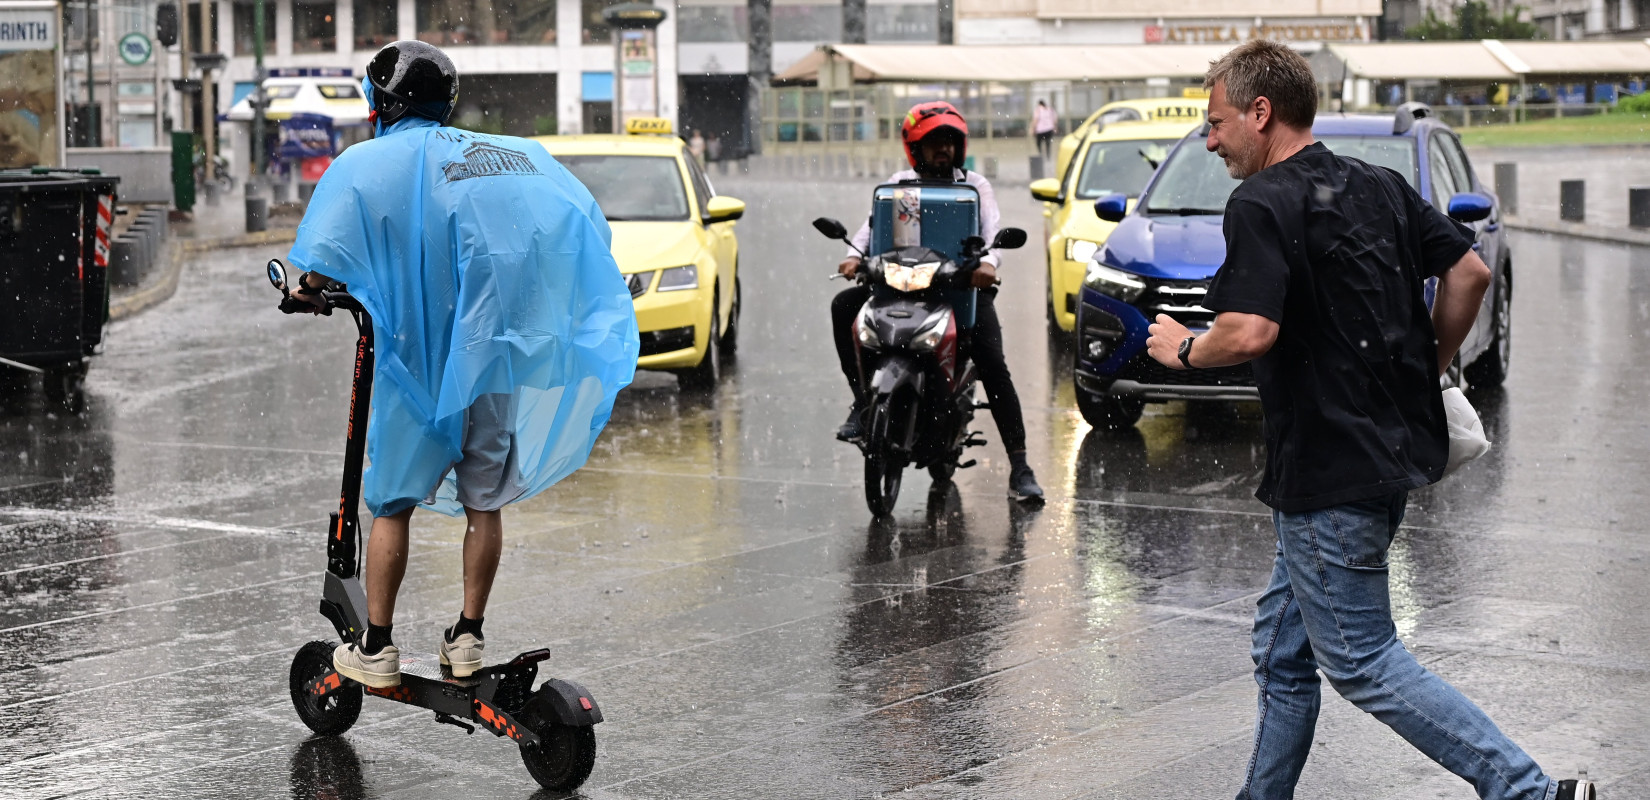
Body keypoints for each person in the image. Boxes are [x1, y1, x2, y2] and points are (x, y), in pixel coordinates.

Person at [1144, 40, 1594, 800]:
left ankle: (1530, 792)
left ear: (1261, 113)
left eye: (1217, 123)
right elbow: (1470, 271)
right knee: (1283, 652)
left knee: (1360, 658)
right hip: (1381, 459)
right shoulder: (1378, 184)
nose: (1210, 139)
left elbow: (1249, 332)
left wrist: (1183, 349)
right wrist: (1426, 365)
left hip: (1327, 470)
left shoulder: (1259, 202)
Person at [284, 41, 639, 688]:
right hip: (489, 365)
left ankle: (378, 645)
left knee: (390, 506)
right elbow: (568, 226)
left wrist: (305, 288)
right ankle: (469, 636)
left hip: (415, 370)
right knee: (485, 503)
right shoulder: (510, 157)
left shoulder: (368, 164)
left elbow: (324, 259)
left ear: (382, 101)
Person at [832, 101, 1044, 502]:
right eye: (933, 142)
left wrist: (987, 263)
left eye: (949, 140)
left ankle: (1020, 466)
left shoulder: (974, 186)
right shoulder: (901, 186)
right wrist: (853, 256)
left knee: (993, 365)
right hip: (902, 285)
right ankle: (863, 403)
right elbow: (870, 228)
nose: (943, 148)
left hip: (961, 290)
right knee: (844, 307)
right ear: (916, 147)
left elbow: (990, 232)